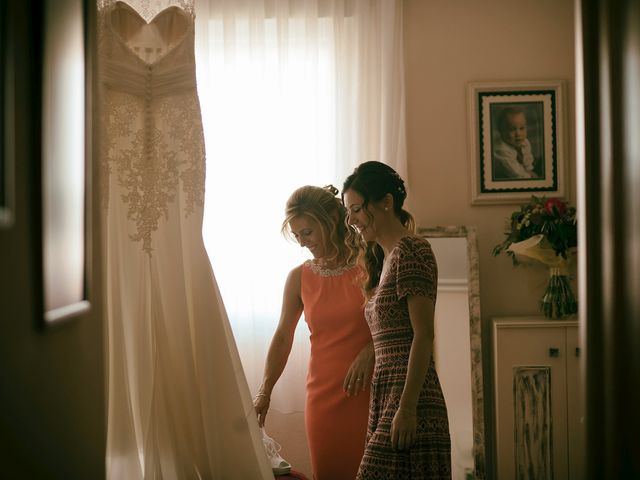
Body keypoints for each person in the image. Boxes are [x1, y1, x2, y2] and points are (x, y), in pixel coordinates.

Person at [253, 185, 374, 480]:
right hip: (322, 398)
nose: (302, 242)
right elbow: (283, 337)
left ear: (331, 221)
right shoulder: (299, 277)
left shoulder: (372, 263)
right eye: (296, 235)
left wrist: (371, 350)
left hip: (370, 391)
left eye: (307, 232)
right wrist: (265, 391)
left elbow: (398, 324)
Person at [342, 161, 451, 479]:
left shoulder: (412, 251)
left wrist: (407, 407)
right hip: (388, 392)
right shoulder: (386, 258)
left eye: (356, 209)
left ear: (386, 202)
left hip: (410, 397)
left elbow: (423, 335)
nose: (351, 221)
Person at [492, 106, 539, 179]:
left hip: (520, 169)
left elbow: (527, 158)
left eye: (522, 128)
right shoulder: (501, 151)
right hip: (507, 174)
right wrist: (530, 176)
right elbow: (516, 173)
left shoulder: (524, 142)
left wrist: (529, 169)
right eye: (512, 129)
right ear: (501, 131)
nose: (518, 134)